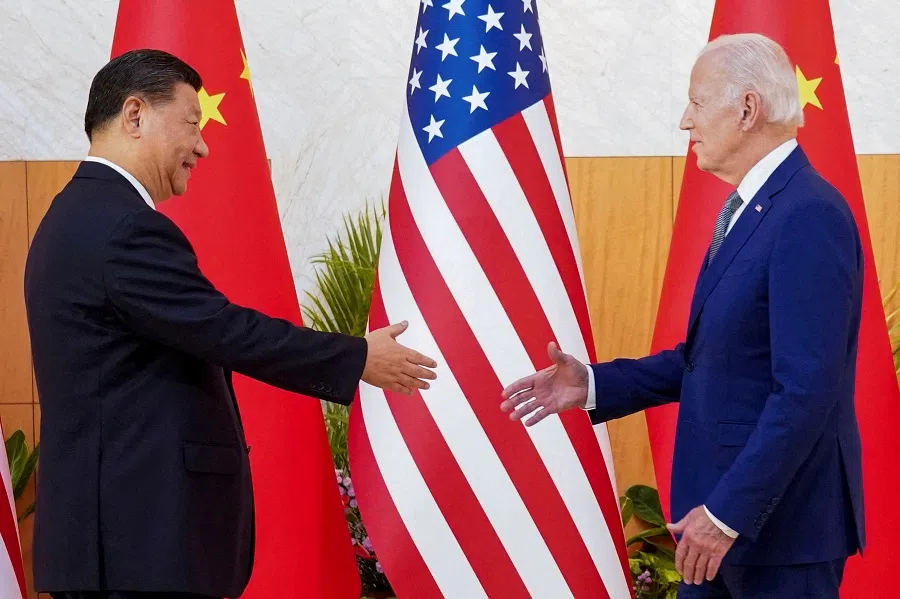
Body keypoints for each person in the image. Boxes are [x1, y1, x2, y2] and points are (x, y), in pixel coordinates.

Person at [24, 49, 437, 599]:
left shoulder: (73, 215)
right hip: (136, 548)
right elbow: (223, 330)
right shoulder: (123, 227)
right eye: (191, 123)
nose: (203, 145)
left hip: (116, 546)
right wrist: (356, 358)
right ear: (135, 115)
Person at [500, 33, 863, 598]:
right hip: (712, 522)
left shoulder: (808, 213)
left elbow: (805, 390)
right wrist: (593, 384)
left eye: (696, 102)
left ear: (747, 109)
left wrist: (727, 515)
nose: (684, 121)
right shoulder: (753, 208)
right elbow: (711, 360)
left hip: (776, 534)